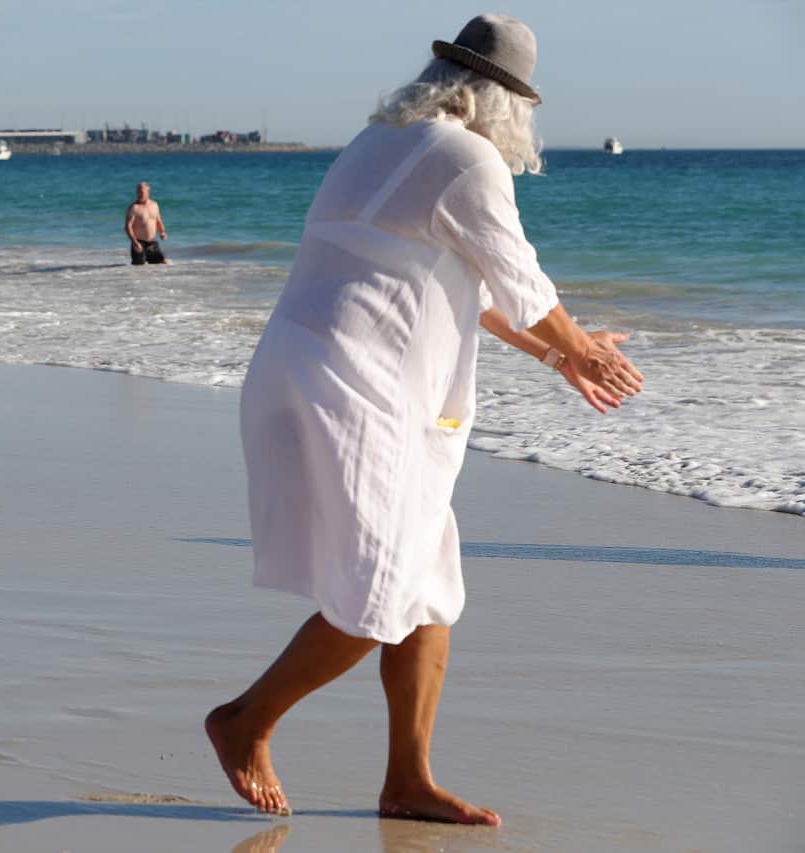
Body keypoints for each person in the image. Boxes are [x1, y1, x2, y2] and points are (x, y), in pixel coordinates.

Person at [204, 14, 643, 826]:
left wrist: (562, 353)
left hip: (324, 372)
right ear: (505, 101)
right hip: (355, 385)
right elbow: (522, 281)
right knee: (381, 593)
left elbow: (478, 295)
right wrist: (582, 349)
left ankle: (408, 778)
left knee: (428, 586)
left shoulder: (381, 141)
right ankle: (245, 719)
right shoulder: (467, 160)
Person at [124, 181, 169, 265]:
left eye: (141, 192)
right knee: (138, 268)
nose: (139, 194)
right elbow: (128, 227)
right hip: (139, 243)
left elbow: (158, 221)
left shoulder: (154, 205)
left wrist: (162, 232)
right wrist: (135, 243)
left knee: (163, 263)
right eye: (138, 192)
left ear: (148, 192)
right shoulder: (134, 208)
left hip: (152, 243)